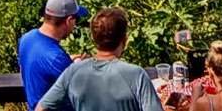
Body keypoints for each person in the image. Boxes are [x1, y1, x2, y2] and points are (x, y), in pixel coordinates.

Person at [36, 7, 164, 111]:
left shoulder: (73, 72)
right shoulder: (136, 75)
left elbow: (41, 108)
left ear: (94, 39)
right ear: (124, 39)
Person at [19, 0, 89, 111]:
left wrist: (68, 62)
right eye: (75, 19)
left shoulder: (26, 39)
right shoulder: (56, 58)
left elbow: (32, 68)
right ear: (69, 20)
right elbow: (80, 95)